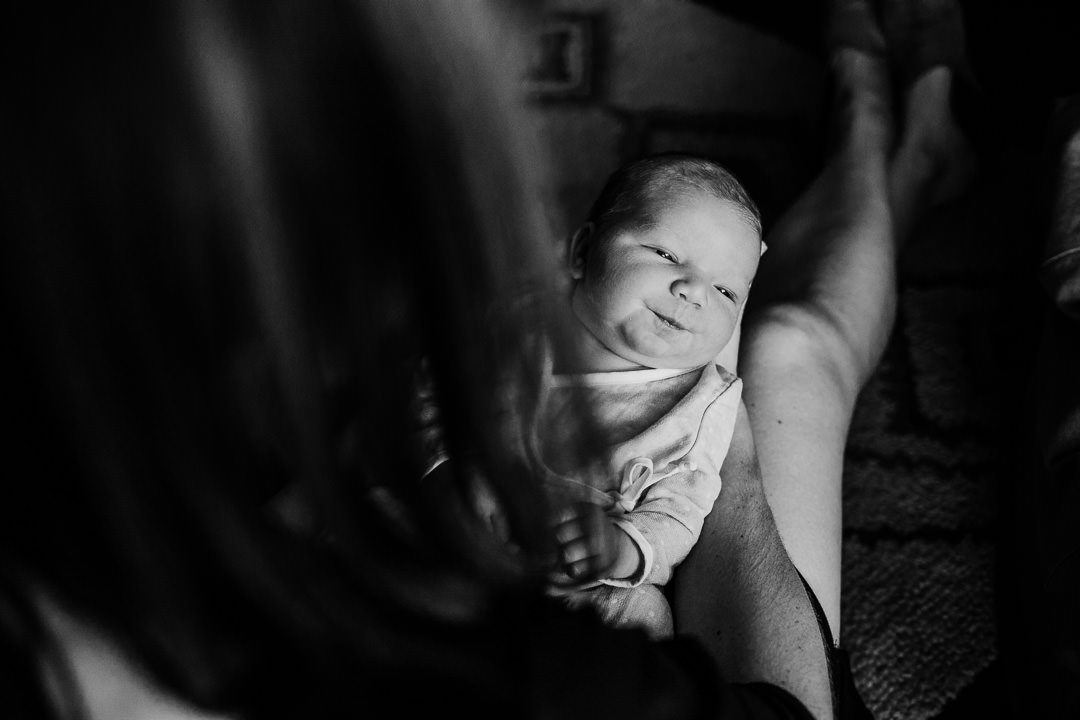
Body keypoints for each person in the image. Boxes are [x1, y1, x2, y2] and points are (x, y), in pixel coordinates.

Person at [0, 1, 970, 720]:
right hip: (604, 597)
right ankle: (892, 141)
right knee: (792, 353)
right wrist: (735, 462)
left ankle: (890, 140)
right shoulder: (527, 674)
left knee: (766, 344)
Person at [533, 155, 763, 639]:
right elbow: (432, 395)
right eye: (665, 254)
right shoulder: (522, 324)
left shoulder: (700, 406)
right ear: (582, 251)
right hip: (462, 533)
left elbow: (679, 511)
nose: (693, 290)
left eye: (725, 291)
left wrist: (624, 548)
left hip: (574, 589)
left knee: (642, 613)